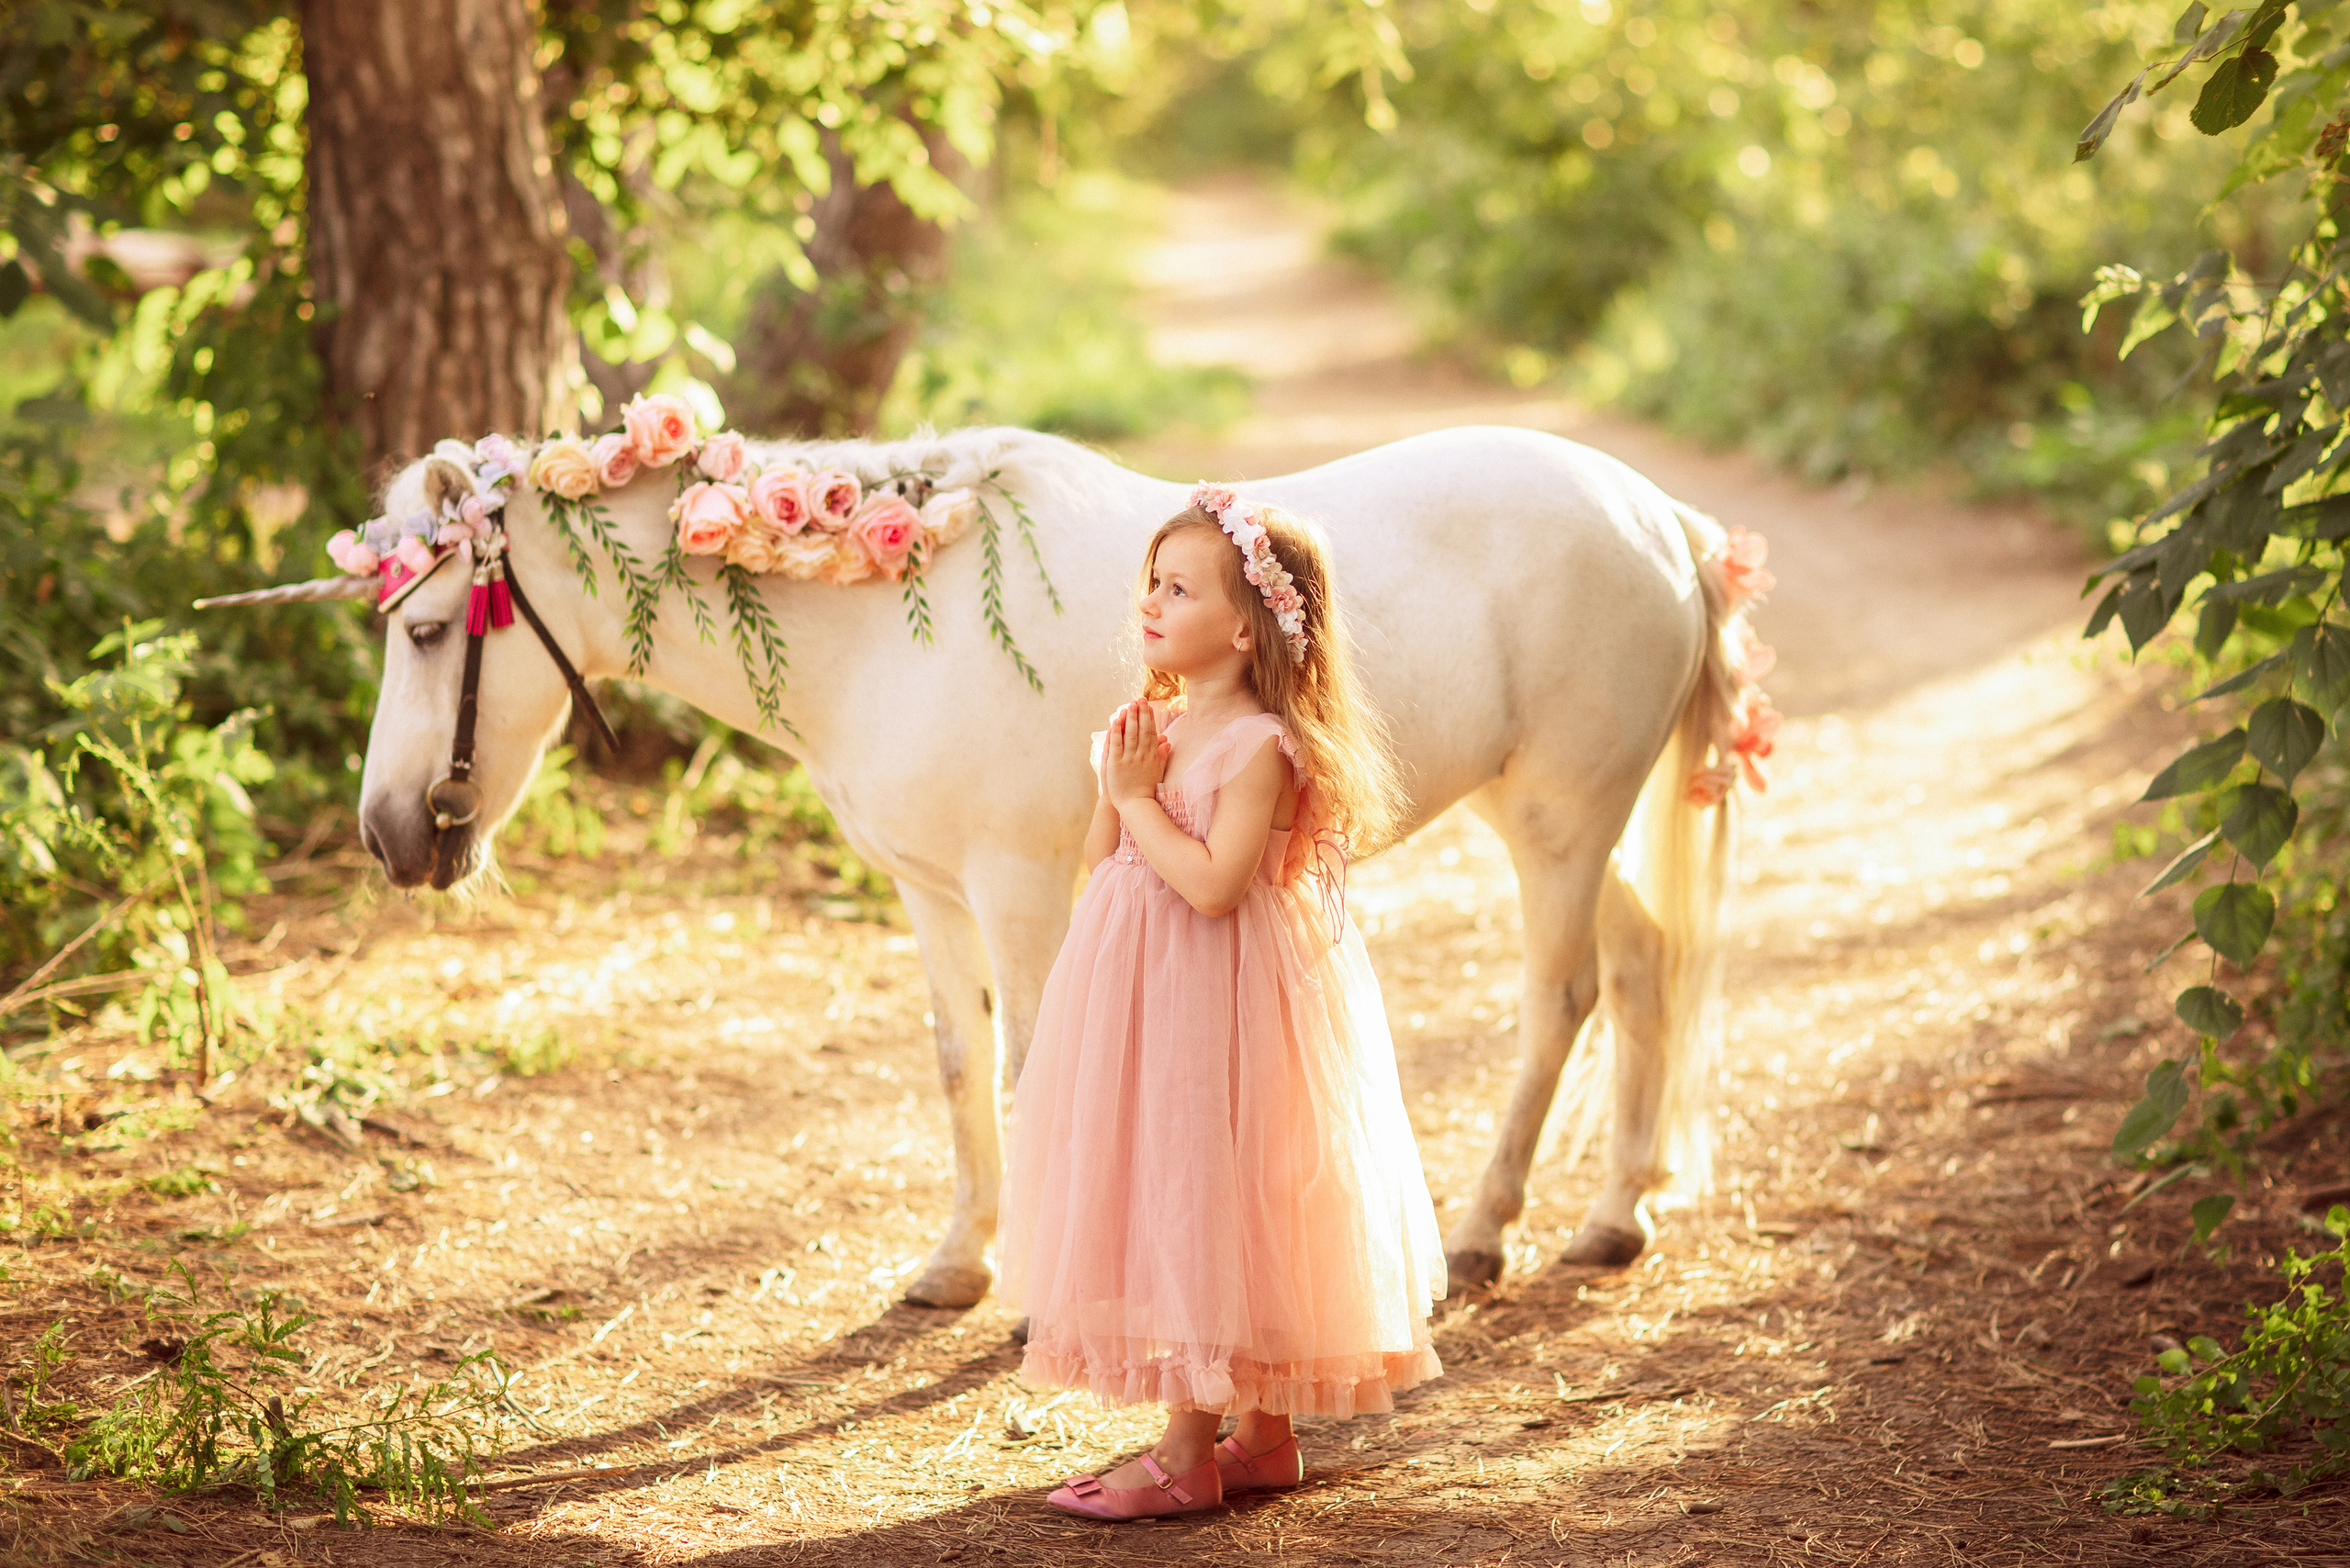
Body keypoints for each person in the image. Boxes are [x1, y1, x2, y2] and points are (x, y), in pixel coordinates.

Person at [1000, 484, 1447, 1521]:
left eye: (1178, 587)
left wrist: (1134, 798)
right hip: (1142, 992)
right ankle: (1262, 1436)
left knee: (1216, 1184)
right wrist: (1118, 790)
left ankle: (1186, 1450)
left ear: (1247, 629)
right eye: (1149, 582)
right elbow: (1099, 859)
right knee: (1167, 1173)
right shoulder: (1151, 724)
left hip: (1225, 997)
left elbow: (1210, 884)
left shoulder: (1261, 748)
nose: (1149, 603)